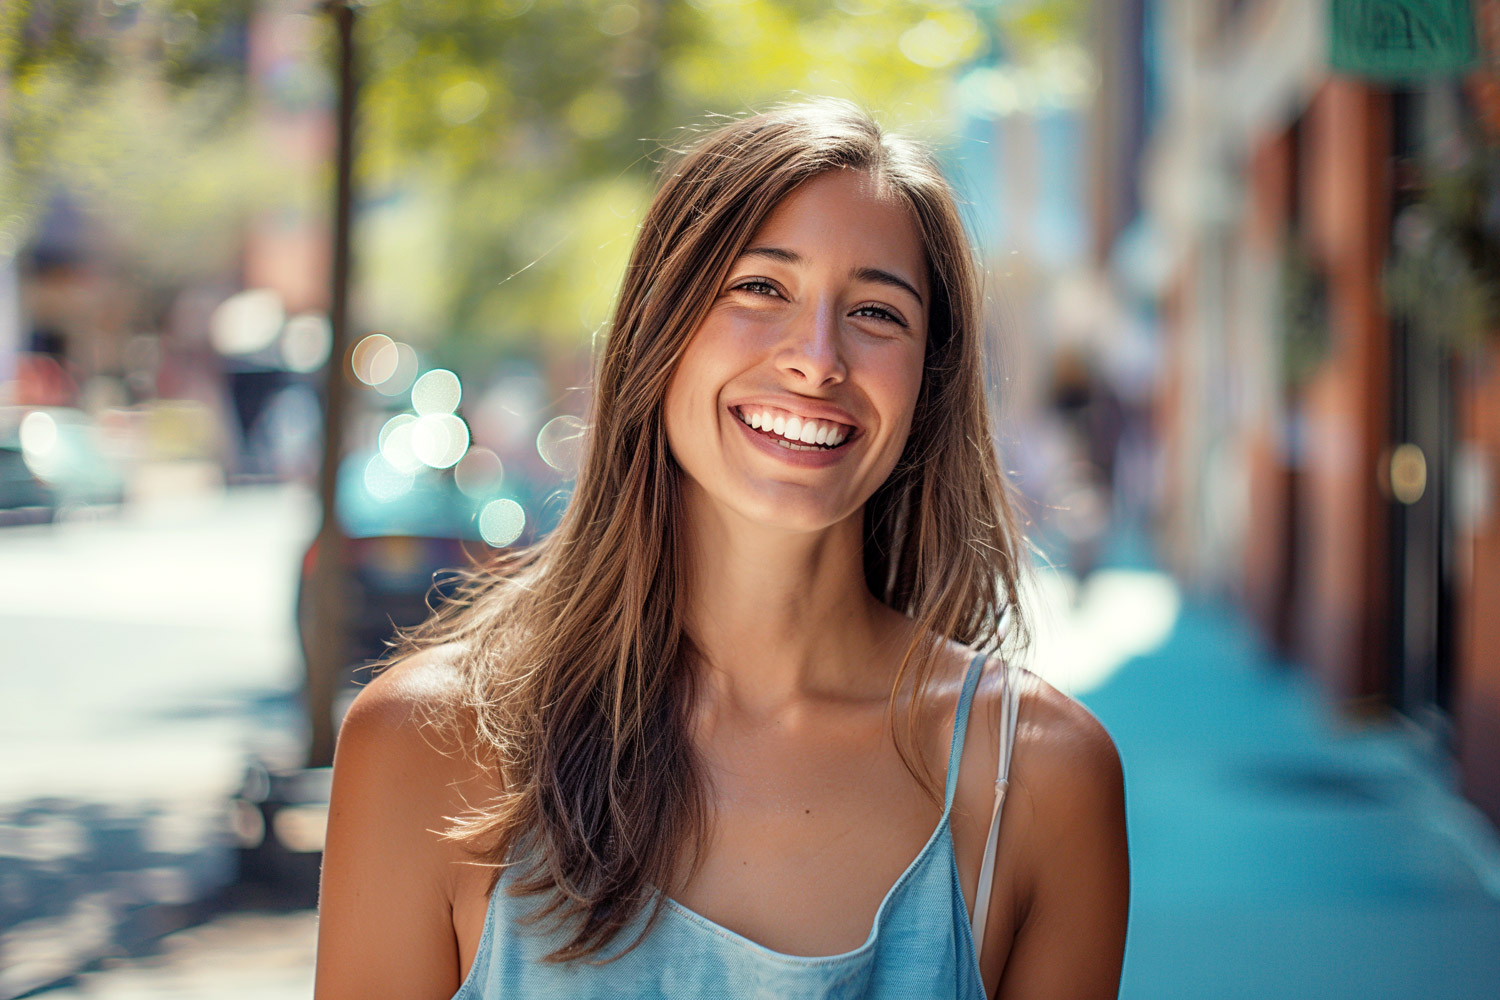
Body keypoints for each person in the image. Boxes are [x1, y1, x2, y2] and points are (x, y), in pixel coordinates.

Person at [313, 99, 1129, 1000]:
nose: (817, 359)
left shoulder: (1039, 779)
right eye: (761, 288)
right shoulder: (427, 742)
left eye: (877, 312)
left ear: (928, 384)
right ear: (658, 332)